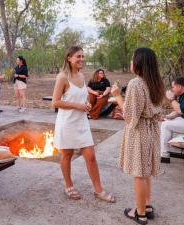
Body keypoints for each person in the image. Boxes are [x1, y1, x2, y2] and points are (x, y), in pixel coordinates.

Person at [52, 46, 115, 203]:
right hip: (67, 123)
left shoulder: (81, 76)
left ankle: (99, 190)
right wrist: (78, 106)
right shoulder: (62, 77)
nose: (81, 59)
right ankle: (69, 186)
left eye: (82, 56)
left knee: (91, 156)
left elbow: (81, 96)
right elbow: (55, 102)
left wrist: (85, 103)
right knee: (67, 155)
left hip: (81, 123)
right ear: (69, 58)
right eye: (78, 56)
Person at [111, 47, 165, 225]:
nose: (131, 62)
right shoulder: (156, 82)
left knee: (139, 174)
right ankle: (147, 206)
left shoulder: (136, 83)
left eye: (133, 59)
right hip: (152, 130)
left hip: (140, 131)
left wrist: (118, 96)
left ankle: (140, 213)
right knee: (146, 171)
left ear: (139, 63)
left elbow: (130, 116)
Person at [160, 77, 184, 163]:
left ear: (179, 87)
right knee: (166, 122)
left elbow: (180, 110)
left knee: (166, 125)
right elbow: (179, 111)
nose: (172, 89)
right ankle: (164, 153)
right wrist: (168, 116)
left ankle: (164, 155)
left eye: (173, 87)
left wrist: (172, 99)